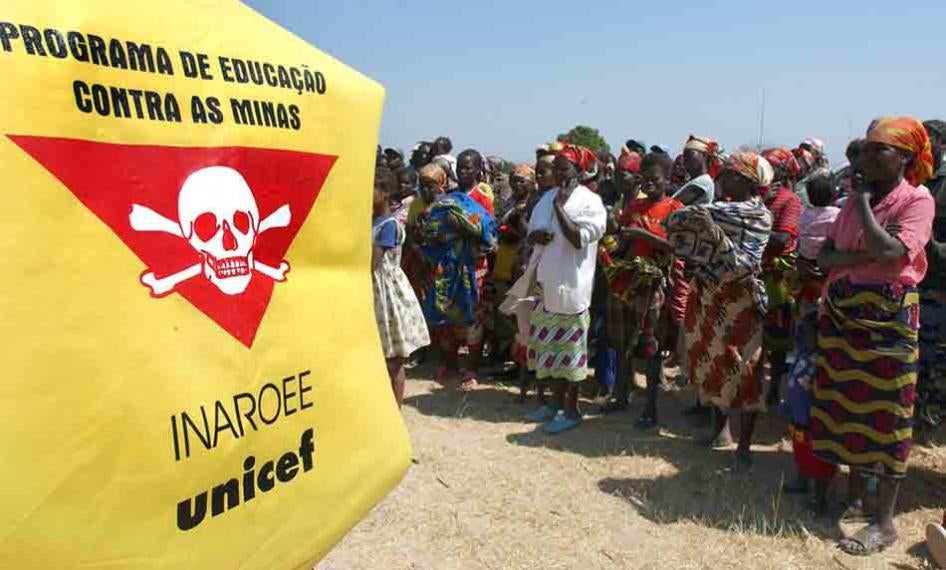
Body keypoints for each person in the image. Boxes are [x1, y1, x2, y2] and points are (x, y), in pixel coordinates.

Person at [810, 116, 935, 556]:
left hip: (889, 322)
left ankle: (884, 522)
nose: (864, 157)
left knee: (890, 416)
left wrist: (862, 207)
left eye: (875, 150)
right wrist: (861, 254)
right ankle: (854, 495)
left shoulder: (916, 200)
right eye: (864, 149)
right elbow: (825, 256)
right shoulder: (851, 202)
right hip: (844, 314)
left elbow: (892, 253)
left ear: (903, 157)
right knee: (845, 407)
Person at [666, 151, 774, 466]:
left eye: (727, 174)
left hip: (741, 300)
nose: (721, 179)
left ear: (743, 179)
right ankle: (720, 432)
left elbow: (678, 219)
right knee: (715, 361)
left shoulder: (755, 215)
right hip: (713, 295)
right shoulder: (720, 212)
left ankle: (744, 447)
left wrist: (707, 232)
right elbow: (679, 222)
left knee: (745, 368)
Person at [522, 145, 607, 434]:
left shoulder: (591, 202)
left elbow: (577, 239)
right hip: (547, 286)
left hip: (573, 289)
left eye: (564, 168)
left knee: (570, 355)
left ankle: (571, 410)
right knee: (549, 352)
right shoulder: (546, 198)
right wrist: (537, 234)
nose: (559, 173)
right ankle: (553, 404)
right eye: (556, 168)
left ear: (579, 171)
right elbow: (532, 231)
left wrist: (560, 208)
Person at [599, 153, 683, 427]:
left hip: (654, 283)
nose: (649, 184)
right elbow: (623, 240)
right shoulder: (634, 205)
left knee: (651, 347)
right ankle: (621, 396)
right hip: (627, 280)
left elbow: (675, 247)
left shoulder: (675, 209)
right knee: (621, 342)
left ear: (667, 180)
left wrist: (642, 235)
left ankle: (650, 406)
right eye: (645, 179)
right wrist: (615, 238)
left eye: (655, 180)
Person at [417, 160, 498, 389]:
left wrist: (461, 227)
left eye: (468, 167)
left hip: (473, 266)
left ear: (477, 171)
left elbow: (487, 231)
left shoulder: (481, 198)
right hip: (447, 266)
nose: (463, 171)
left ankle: (471, 369)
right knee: (447, 314)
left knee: (473, 317)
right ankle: (450, 362)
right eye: (460, 167)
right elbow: (432, 232)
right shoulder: (447, 199)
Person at [372, 166, 432, 406]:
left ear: (385, 193)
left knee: (394, 359)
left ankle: (395, 409)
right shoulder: (374, 221)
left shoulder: (388, 225)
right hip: (374, 292)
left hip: (386, 295)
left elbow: (372, 263)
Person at [759, 148, 803, 407]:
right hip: (755, 273)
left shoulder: (789, 201)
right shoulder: (755, 198)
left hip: (777, 279)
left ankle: (774, 389)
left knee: (777, 342)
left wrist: (756, 217)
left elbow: (782, 240)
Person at [916, 119, 946, 428]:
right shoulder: (916, 178)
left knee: (936, 353)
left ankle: (932, 413)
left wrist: (932, 247)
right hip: (916, 278)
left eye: (928, 138)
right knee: (919, 350)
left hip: (939, 281)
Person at [673, 135, 720, 207]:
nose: (685, 159)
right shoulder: (695, 180)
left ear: (704, 156)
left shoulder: (703, 182)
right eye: (684, 156)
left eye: (690, 155)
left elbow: (673, 205)